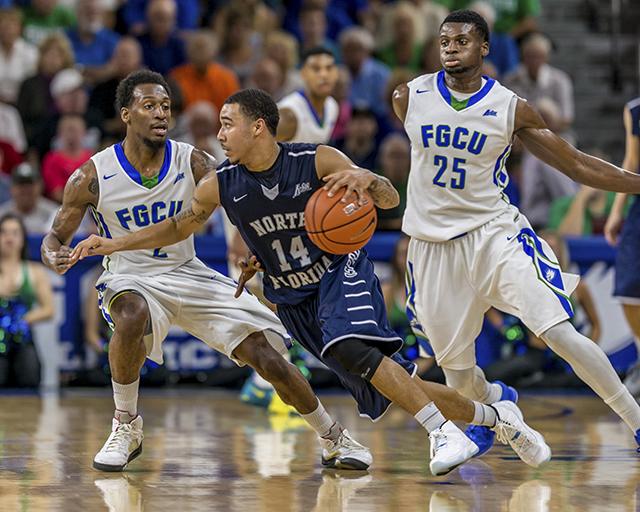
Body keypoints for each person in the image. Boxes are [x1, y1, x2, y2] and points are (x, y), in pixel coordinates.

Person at [72, 87, 553, 476]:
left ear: (257, 126)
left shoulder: (317, 159)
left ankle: (440, 431)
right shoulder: (221, 182)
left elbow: (386, 199)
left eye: (227, 123)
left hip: (338, 270)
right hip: (292, 294)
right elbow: (178, 227)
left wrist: (368, 180)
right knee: (392, 381)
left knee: (352, 349)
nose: (218, 133)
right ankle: (498, 417)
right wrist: (112, 244)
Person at [41, 70, 373, 474]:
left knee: (266, 357)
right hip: (130, 274)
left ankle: (332, 436)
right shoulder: (91, 175)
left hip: (188, 271)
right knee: (130, 314)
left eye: (166, 106)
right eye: (150, 106)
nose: (161, 113)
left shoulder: (195, 160)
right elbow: (54, 237)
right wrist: (54, 256)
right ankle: (126, 424)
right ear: (126, 115)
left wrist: (257, 245)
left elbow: (244, 199)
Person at [392, 9, 640, 456]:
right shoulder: (409, 96)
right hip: (430, 248)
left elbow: (577, 164)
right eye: (445, 40)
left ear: (484, 47)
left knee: (559, 332)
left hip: (493, 235)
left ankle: (635, 420)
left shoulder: (509, 107)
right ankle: (497, 404)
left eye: (462, 40)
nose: (450, 47)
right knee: (459, 377)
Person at [604, 97, 640, 397]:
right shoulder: (635, 109)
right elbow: (631, 162)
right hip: (639, 202)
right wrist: (617, 210)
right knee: (628, 288)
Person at [0, 213, 54, 387]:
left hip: (23, 338)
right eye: (4, 232)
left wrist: (22, 320)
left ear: (23, 238)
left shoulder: (34, 271)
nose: (9, 238)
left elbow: (48, 309)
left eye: (15, 233)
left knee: (29, 376)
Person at [277, 47, 339, 144]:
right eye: (316, 69)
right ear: (303, 73)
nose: (323, 74)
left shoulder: (332, 106)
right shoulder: (289, 114)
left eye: (329, 68)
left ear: (336, 73)